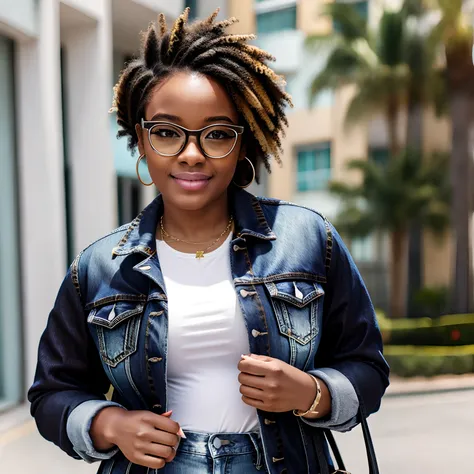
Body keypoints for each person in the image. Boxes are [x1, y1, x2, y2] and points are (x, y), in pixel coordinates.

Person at [28, 8, 389, 474]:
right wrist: (110, 425)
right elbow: (52, 394)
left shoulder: (307, 239)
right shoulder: (99, 267)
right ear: (139, 140)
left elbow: (367, 368)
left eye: (217, 134)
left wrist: (312, 393)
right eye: (167, 133)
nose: (192, 154)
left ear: (244, 142)